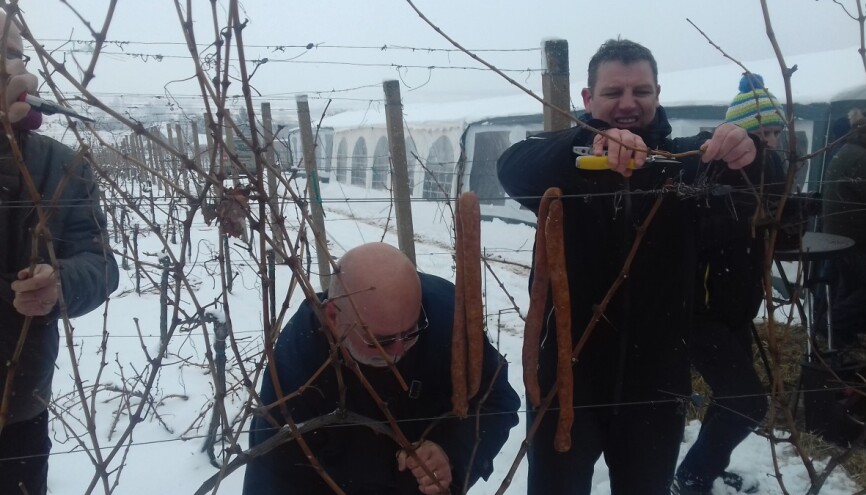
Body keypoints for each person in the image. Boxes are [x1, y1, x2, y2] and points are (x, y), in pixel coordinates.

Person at [497, 39, 762, 494]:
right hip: (566, 384)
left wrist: (748, 149)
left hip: (656, 388)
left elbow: (760, 182)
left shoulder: (683, 165)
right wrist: (590, 143)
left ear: (657, 94)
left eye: (640, 91)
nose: (627, 103)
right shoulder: (561, 160)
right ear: (588, 98)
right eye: (613, 92)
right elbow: (512, 166)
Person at [243, 242, 520, 495]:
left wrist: (452, 453)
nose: (398, 350)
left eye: (411, 332)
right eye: (381, 341)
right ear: (333, 318)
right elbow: (273, 477)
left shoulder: (447, 318)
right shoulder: (298, 363)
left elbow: (496, 401)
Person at [0, 10, 119, 494]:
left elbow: (102, 263)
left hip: (19, 403)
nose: (7, 67)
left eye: (14, 54)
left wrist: (59, 285)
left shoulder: (62, 165)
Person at [674, 73, 786, 494]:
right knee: (747, 402)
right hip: (701, 313)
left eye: (775, 132)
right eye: (762, 133)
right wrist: (750, 220)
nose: (771, 141)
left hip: (736, 309)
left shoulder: (770, 176)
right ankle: (692, 476)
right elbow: (694, 235)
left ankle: (703, 470)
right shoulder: (711, 172)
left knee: (732, 397)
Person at [821, 111, 866, 349]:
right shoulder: (862, 159)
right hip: (855, 240)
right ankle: (831, 325)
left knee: (852, 287)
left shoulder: (850, 150)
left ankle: (841, 335)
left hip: (843, 237)